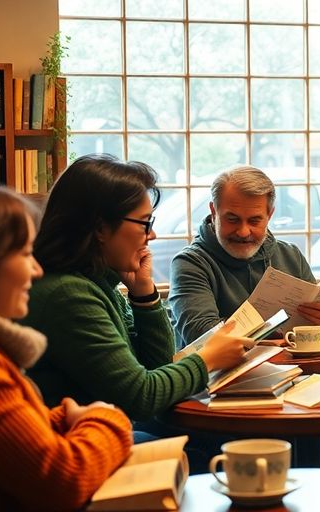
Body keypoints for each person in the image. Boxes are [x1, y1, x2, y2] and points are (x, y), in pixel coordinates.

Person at [22, 155, 248, 443]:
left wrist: (145, 296)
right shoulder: (68, 294)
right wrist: (207, 360)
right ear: (100, 229)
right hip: (75, 447)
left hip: (100, 433)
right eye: (144, 223)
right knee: (218, 448)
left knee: (210, 442)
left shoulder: (98, 284)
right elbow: (141, 398)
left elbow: (157, 367)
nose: (151, 234)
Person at [0, 183, 132, 510]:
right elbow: (64, 481)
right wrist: (105, 418)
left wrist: (59, 419)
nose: (37, 270)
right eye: (25, 254)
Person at [170, 165, 320, 347]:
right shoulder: (190, 263)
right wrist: (275, 339)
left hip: (297, 365)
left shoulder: (291, 255)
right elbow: (203, 336)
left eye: (254, 220)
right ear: (213, 212)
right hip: (226, 368)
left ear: (269, 215)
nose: (243, 232)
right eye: (232, 219)